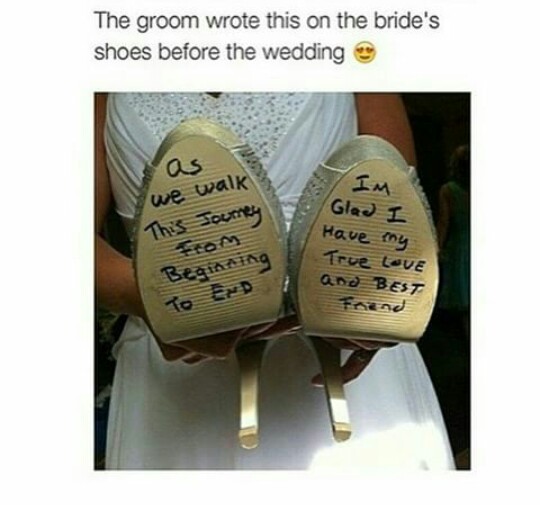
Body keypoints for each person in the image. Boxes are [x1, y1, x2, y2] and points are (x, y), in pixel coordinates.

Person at [96, 92, 455, 469]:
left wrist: (380, 303)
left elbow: (399, 210)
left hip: (346, 369)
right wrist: (147, 299)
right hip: (177, 381)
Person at [436, 145, 471, 338]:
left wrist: (438, 248)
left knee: (466, 305)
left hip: (460, 248)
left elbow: (444, 222)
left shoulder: (449, 190)